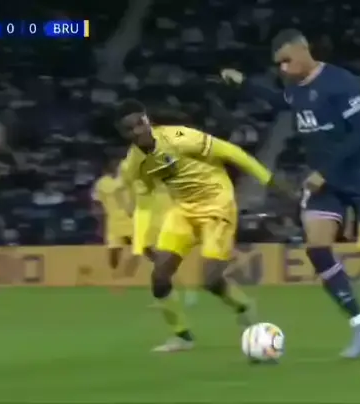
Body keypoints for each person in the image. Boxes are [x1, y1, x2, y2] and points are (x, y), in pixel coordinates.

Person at [220, 29, 360, 358]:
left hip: (358, 175)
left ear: (303, 50)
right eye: (278, 64)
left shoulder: (339, 82)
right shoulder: (294, 88)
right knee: (317, 248)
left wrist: (325, 170)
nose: (283, 68)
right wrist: (244, 84)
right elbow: (281, 102)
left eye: (286, 60)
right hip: (325, 184)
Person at [115, 99, 295, 352]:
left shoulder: (180, 138)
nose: (138, 130)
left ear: (147, 120)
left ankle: (244, 306)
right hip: (183, 211)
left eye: (140, 123)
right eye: (130, 128)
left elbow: (231, 152)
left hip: (217, 205)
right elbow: (144, 200)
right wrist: (142, 240)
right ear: (123, 133)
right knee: (159, 277)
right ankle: (182, 336)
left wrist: (269, 180)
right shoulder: (134, 164)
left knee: (210, 280)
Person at [131, 179, 199, 306]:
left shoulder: (169, 185)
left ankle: (176, 294)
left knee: (162, 264)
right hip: (154, 226)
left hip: (166, 226)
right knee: (157, 261)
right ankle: (171, 294)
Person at [90, 158, 139, 289]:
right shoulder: (102, 183)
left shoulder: (129, 180)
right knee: (113, 254)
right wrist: (99, 219)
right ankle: (116, 278)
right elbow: (96, 201)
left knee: (142, 249)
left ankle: (156, 275)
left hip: (131, 220)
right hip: (113, 222)